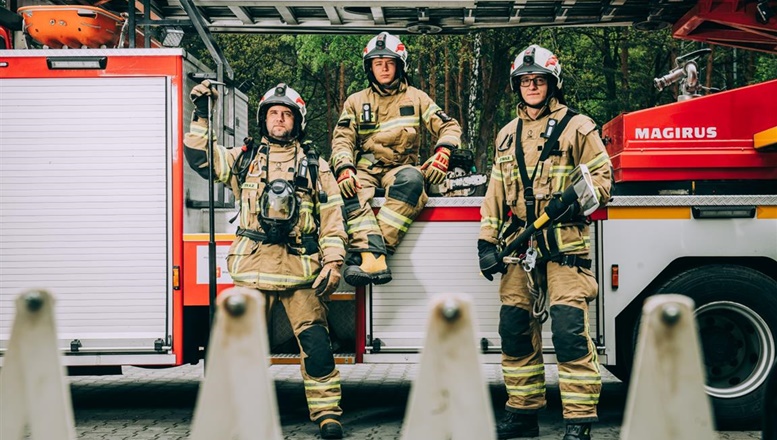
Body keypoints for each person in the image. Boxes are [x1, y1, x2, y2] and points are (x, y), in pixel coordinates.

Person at [184, 81, 348, 439]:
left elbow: (333, 217)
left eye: (286, 114)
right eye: (273, 113)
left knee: (317, 346)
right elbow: (201, 159)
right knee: (240, 347)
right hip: (253, 269)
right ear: (263, 119)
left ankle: (326, 413)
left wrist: (334, 263)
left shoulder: (316, 166)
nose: (279, 119)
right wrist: (201, 115)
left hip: (301, 270)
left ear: (297, 121)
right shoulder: (244, 160)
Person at [478, 45, 613, 440]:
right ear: (516, 86)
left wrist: (573, 202)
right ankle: (522, 414)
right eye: (525, 81)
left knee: (570, 334)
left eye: (538, 80)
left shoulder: (579, 127)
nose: (531, 86)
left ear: (552, 83)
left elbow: (604, 181)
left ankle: (579, 421)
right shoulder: (507, 134)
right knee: (515, 329)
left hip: (565, 245)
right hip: (519, 247)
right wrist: (487, 243)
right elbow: (496, 193)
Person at [330, 31, 462, 286]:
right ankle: (376, 260)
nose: (384, 68)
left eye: (389, 62)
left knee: (413, 181)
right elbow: (342, 139)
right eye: (378, 63)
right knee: (345, 190)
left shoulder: (417, 97)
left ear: (400, 65)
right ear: (370, 67)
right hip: (364, 168)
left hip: (401, 167)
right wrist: (345, 168)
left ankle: (371, 254)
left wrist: (443, 152)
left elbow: (450, 126)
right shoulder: (356, 101)